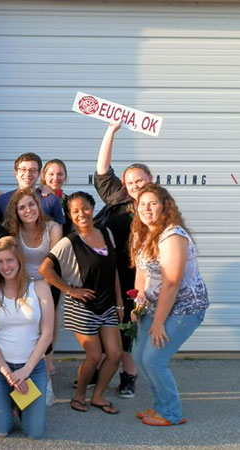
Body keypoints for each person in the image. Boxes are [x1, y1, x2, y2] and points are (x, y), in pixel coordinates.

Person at [129, 184, 209, 426]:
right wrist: (138, 302)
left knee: (154, 359)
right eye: (142, 204)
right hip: (153, 306)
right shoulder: (143, 232)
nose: (147, 208)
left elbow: (172, 283)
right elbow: (141, 272)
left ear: (165, 206)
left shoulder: (172, 235)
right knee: (138, 355)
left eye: (153, 203)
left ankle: (171, 413)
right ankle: (160, 406)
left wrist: (159, 323)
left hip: (184, 309)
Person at [39, 191, 123, 414]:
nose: (81, 214)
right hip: (82, 307)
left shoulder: (106, 233)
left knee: (115, 354)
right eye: (75, 211)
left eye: (85, 208)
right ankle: (79, 395)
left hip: (107, 305)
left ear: (92, 208)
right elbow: (45, 269)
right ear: (70, 215)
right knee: (94, 355)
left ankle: (98, 396)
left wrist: (120, 302)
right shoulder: (69, 242)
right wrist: (70, 290)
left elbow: (113, 270)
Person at [94, 120, 154, 398]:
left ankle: (128, 374)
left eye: (139, 180)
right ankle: (103, 365)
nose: (134, 185)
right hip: (109, 271)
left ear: (150, 180)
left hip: (138, 276)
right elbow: (103, 171)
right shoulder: (119, 196)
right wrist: (111, 131)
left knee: (131, 325)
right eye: (130, 181)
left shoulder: (158, 206)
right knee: (105, 320)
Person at [0, 237, 53, 438]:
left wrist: (26, 370)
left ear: (19, 260)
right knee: (0, 430)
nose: (5, 266)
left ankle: (19, 405)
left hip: (32, 368)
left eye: (10, 260)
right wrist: (8, 374)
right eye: (0, 262)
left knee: (34, 432)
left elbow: (47, 333)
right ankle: (8, 402)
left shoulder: (39, 287)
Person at [3, 187, 62, 374]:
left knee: (47, 325)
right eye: (22, 207)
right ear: (16, 212)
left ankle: (47, 367)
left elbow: (55, 263)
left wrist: (43, 291)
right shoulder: (13, 231)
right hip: (21, 283)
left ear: (38, 205)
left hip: (49, 281)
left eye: (31, 204)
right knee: (26, 326)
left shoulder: (53, 228)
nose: (28, 210)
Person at [0, 152, 65, 225]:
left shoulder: (51, 200)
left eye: (33, 170)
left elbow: (59, 230)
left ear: (39, 174)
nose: (28, 174)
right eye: (23, 169)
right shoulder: (2, 201)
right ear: (16, 173)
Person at [40, 158, 72, 236]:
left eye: (60, 174)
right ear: (44, 176)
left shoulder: (69, 201)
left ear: (65, 177)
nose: (55, 178)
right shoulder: (36, 198)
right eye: (51, 174)